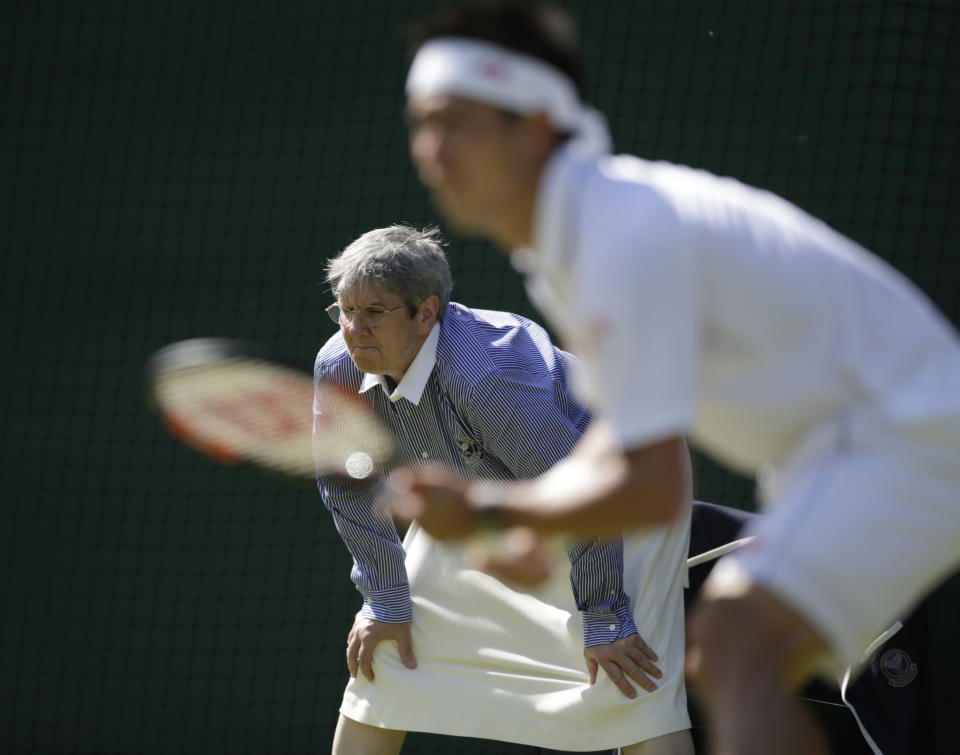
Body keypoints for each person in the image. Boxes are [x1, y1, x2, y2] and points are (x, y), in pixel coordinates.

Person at [388, 2, 960, 754]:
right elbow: (613, 445)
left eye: (455, 121)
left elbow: (653, 488)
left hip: (901, 435)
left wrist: (497, 510)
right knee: (733, 643)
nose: (431, 149)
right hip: (862, 444)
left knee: (737, 643)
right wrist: (513, 516)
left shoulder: (619, 241)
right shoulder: (579, 238)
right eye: (420, 123)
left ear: (531, 127)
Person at [314, 224, 694, 754]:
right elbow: (350, 490)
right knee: (384, 654)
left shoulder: (485, 377)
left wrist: (605, 613)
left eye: (374, 312)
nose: (354, 329)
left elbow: (579, 494)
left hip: (617, 485)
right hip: (491, 501)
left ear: (427, 313)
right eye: (344, 310)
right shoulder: (338, 366)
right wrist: (384, 596)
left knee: (628, 681)